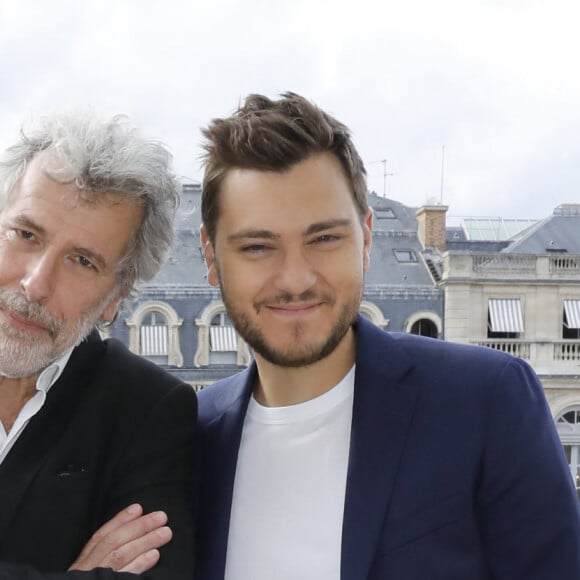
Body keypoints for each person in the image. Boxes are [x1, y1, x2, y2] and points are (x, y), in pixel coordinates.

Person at [195, 92, 580, 580]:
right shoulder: (187, 437)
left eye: (324, 239)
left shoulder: (485, 403)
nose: (294, 279)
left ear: (367, 238)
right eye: (256, 246)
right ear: (211, 257)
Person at [0, 112, 196, 580]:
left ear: (116, 296)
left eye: (82, 261)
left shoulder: (149, 412)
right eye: (26, 234)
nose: (34, 284)